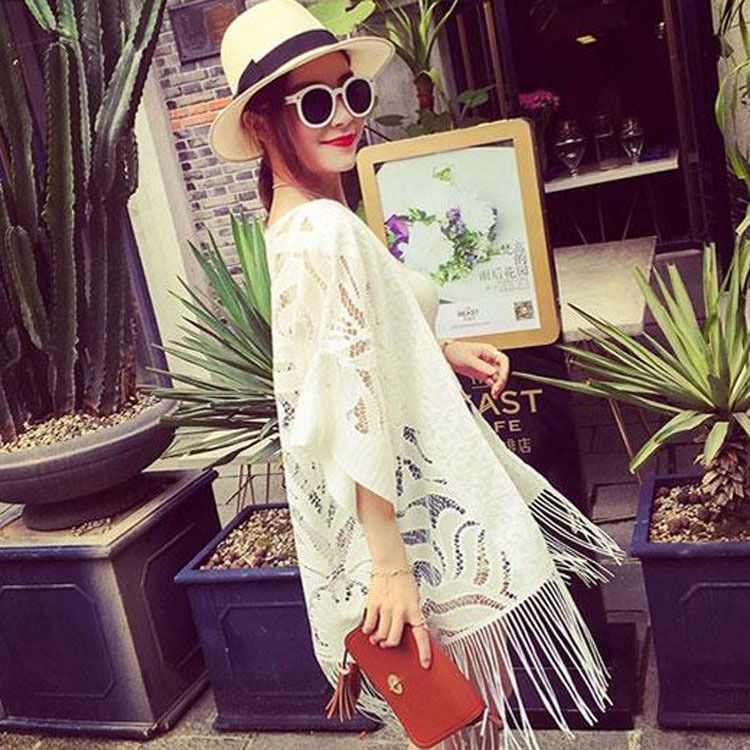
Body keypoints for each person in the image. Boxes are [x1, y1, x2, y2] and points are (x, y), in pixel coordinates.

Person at [209, 2, 626, 748]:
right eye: (315, 103)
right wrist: (392, 567)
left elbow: (364, 340)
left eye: (352, 92)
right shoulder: (322, 230)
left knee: (467, 713)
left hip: (401, 508)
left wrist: (441, 349)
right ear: (264, 124)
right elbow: (351, 400)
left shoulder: (304, 220)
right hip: (405, 518)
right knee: (472, 711)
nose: (344, 115)